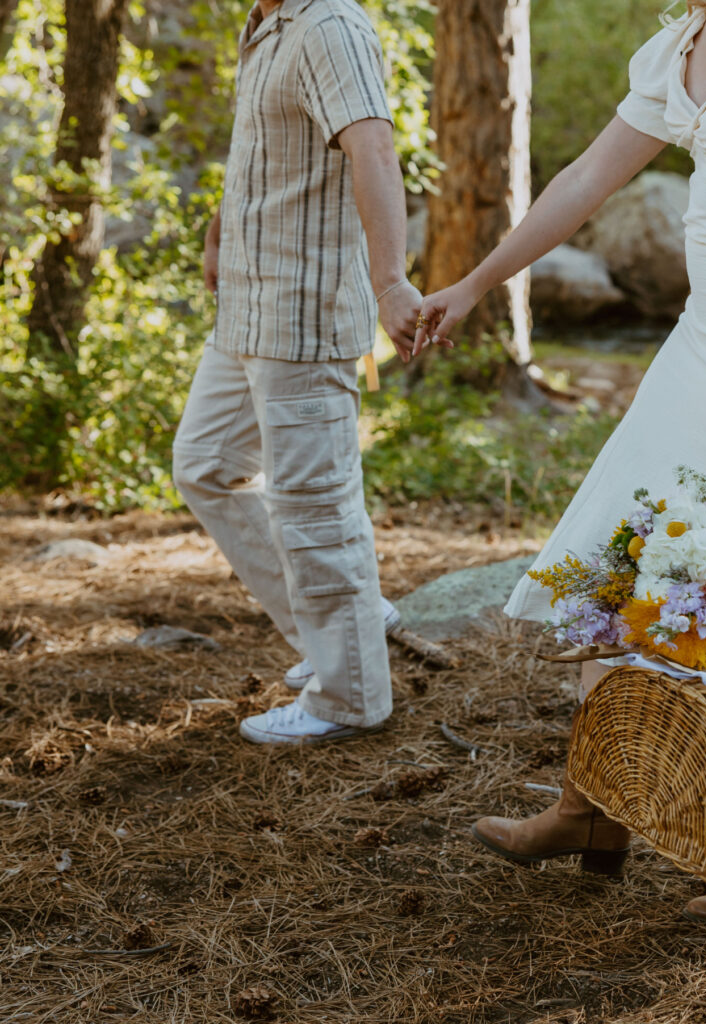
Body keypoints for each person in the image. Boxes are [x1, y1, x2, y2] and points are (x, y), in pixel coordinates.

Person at [414, 0, 706, 928]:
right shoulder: (685, 40)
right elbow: (587, 178)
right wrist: (473, 283)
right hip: (701, 344)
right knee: (614, 561)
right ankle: (594, 808)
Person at [173, 0, 422, 745]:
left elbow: (372, 151)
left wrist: (390, 284)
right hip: (246, 305)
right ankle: (343, 629)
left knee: (314, 508)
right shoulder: (266, 22)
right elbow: (257, 147)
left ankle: (350, 696)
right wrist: (219, 233)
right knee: (205, 464)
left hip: (302, 310)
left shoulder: (328, 25)